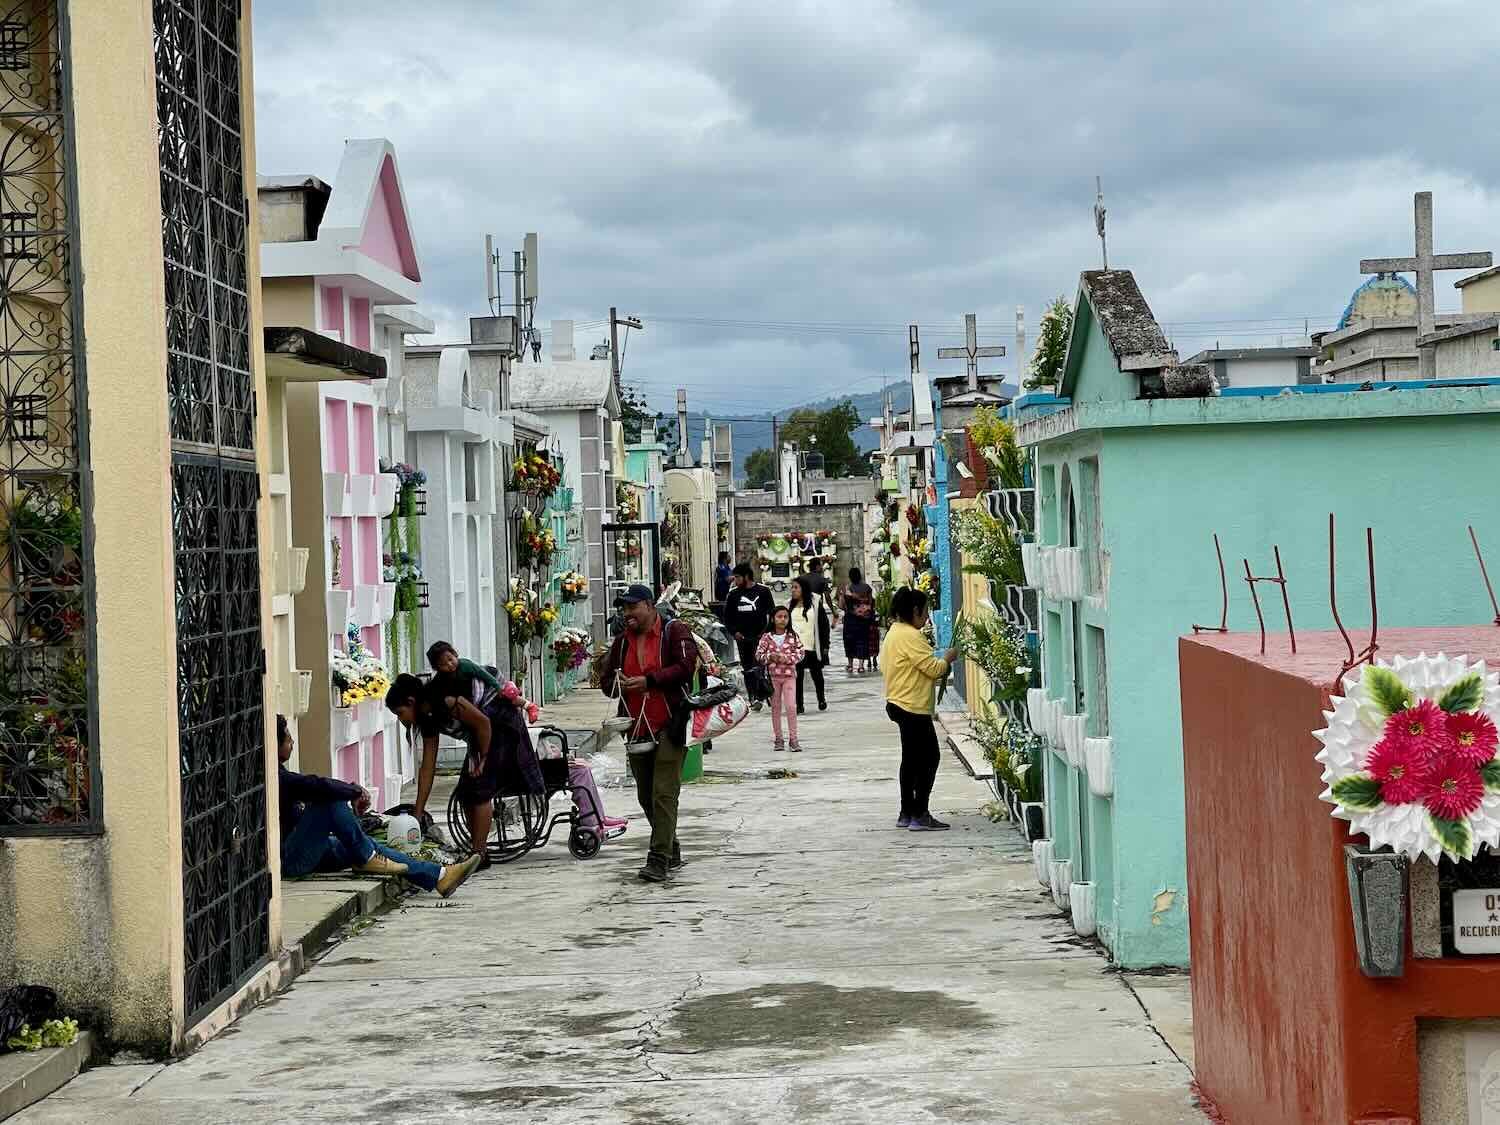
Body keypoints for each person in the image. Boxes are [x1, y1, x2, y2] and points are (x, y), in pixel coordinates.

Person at [428, 640, 626, 838]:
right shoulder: (490, 714)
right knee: (579, 772)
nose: (450, 665)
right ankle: (593, 822)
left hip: (513, 756)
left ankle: (597, 818)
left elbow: (492, 684)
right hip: (514, 765)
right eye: (444, 664)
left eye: (450, 659)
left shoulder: (477, 693)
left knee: (578, 766)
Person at [277, 715, 480, 896]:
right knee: (331, 802)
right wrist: (355, 790)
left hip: (308, 850)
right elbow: (314, 785)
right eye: (287, 737)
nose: (292, 741)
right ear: (274, 746)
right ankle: (367, 857)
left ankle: (440, 876)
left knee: (367, 846)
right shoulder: (276, 778)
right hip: (291, 860)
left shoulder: (279, 774)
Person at [386, 670, 544, 866]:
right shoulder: (427, 717)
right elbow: (427, 767)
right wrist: (418, 813)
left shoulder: (445, 700)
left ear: (411, 701)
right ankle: (478, 851)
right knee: (465, 791)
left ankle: (478, 854)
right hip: (480, 733)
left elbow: (483, 723)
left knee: (479, 788)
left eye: (400, 713)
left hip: (499, 724)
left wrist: (483, 758)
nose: (402, 721)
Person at [598, 583, 700, 882]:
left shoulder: (674, 631)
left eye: (633, 607)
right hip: (636, 727)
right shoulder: (622, 643)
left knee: (663, 793)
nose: (627, 613)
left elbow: (685, 667)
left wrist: (648, 681)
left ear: (649, 605)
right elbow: (606, 684)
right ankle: (671, 847)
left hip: (671, 723)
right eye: (624, 608)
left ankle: (657, 859)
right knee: (645, 794)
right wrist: (617, 682)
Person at [881, 587, 959, 831]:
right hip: (912, 706)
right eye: (925, 612)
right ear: (914, 611)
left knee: (911, 760)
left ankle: (906, 812)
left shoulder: (894, 632)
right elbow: (933, 669)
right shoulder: (911, 636)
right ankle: (920, 813)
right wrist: (947, 658)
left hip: (898, 702)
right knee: (929, 758)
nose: (927, 617)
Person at [756, 605, 805, 751]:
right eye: (779, 617)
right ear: (773, 619)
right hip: (772, 678)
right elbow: (758, 655)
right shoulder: (767, 637)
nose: (782, 620)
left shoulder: (793, 636)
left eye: (785, 617)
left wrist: (787, 658)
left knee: (791, 706)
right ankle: (778, 739)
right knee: (776, 708)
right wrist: (770, 657)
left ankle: (793, 739)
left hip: (789, 676)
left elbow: (801, 653)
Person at [722, 563, 776, 670]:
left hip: (760, 638)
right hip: (742, 639)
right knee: (747, 669)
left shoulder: (763, 591)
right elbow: (727, 616)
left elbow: (772, 614)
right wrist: (734, 632)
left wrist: (766, 633)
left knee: (759, 669)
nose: (735, 581)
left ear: (746, 576)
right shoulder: (733, 594)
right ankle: (750, 687)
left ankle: (761, 687)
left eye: (737, 577)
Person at [789, 575, 827, 714]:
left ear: (803, 589)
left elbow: (823, 625)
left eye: (796, 588)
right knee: (797, 677)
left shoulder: (815, 603)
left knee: (817, 675)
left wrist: (825, 645)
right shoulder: (789, 605)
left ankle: (821, 698)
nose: (793, 590)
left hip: (812, 645)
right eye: (792, 588)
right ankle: (799, 704)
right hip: (795, 648)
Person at [841, 566, 875, 674]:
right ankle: (861, 666)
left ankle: (850, 665)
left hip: (850, 619)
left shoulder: (847, 589)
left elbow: (842, 606)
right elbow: (871, 603)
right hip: (863, 619)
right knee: (862, 640)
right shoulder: (867, 588)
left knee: (849, 641)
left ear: (850, 577)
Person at [805, 557, 835, 664]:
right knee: (824, 630)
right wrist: (833, 611)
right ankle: (824, 653)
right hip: (818, 608)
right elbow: (827, 596)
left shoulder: (802, 578)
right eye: (821, 565)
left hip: (805, 609)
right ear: (817, 566)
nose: (822, 567)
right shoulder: (822, 579)